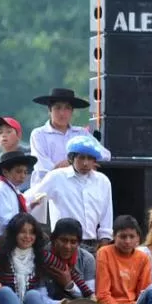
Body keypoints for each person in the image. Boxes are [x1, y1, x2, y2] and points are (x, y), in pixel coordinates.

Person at [29, 87, 107, 223]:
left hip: (74, 197)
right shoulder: (39, 134)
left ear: (72, 112)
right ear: (49, 110)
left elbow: (105, 154)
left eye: (67, 108)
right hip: (46, 197)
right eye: (57, 108)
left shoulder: (81, 133)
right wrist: (76, 163)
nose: (62, 113)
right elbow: (43, 167)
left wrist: (82, 161)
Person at [25, 135, 113, 251]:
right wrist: (36, 230)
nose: (85, 163)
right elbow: (30, 198)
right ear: (71, 159)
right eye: (81, 158)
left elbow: (107, 215)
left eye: (90, 158)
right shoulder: (57, 177)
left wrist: (105, 240)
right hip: (62, 242)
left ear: (95, 161)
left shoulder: (102, 181)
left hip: (92, 243)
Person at [0, 150, 39, 243]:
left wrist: (29, 206)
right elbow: (6, 222)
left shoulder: (11, 189)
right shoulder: (0, 190)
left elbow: (14, 212)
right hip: (0, 239)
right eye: (19, 172)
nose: (23, 176)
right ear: (5, 172)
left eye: (25, 172)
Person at [0, 116, 29, 190]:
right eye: (0, 132)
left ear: (19, 136)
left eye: (9, 131)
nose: (4, 135)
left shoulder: (30, 154)